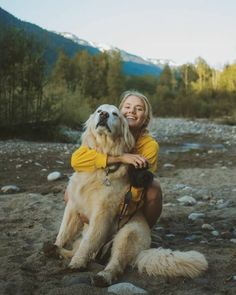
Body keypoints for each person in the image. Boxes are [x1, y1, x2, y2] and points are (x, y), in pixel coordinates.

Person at [65, 90, 162, 228]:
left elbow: (138, 186)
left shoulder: (149, 146)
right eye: (127, 107)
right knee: (69, 193)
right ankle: (90, 226)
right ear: (120, 112)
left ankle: (142, 228)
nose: (132, 111)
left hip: (127, 200)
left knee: (154, 188)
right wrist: (120, 157)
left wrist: (117, 211)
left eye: (139, 109)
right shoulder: (105, 135)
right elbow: (77, 160)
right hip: (106, 190)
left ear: (145, 118)